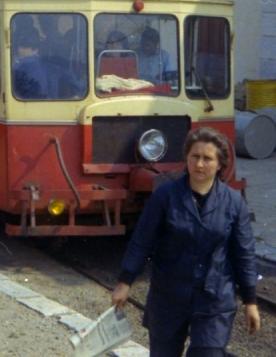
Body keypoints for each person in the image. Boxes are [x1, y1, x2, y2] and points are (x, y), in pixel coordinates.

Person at [111, 127, 260, 357]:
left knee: (208, 353)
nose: (199, 164)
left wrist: (250, 301)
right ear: (187, 159)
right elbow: (142, 240)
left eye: (207, 158)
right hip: (169, 295)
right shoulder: (166, 196)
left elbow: (244, 254)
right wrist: (125, 282)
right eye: (195, 157)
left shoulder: (233, 203)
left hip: (214, 299)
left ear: (220, 164)